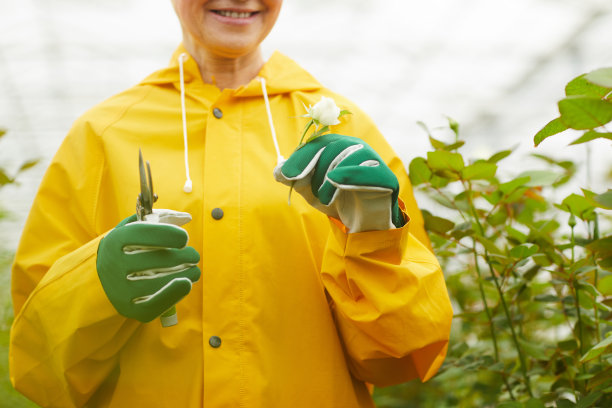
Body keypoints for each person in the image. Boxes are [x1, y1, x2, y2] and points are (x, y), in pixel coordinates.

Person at [9, 0, 453, 407]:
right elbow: (40, 368)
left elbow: (402, 356)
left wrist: (374, 238)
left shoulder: (343, 131)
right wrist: (94, 287)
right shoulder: (103, 136)